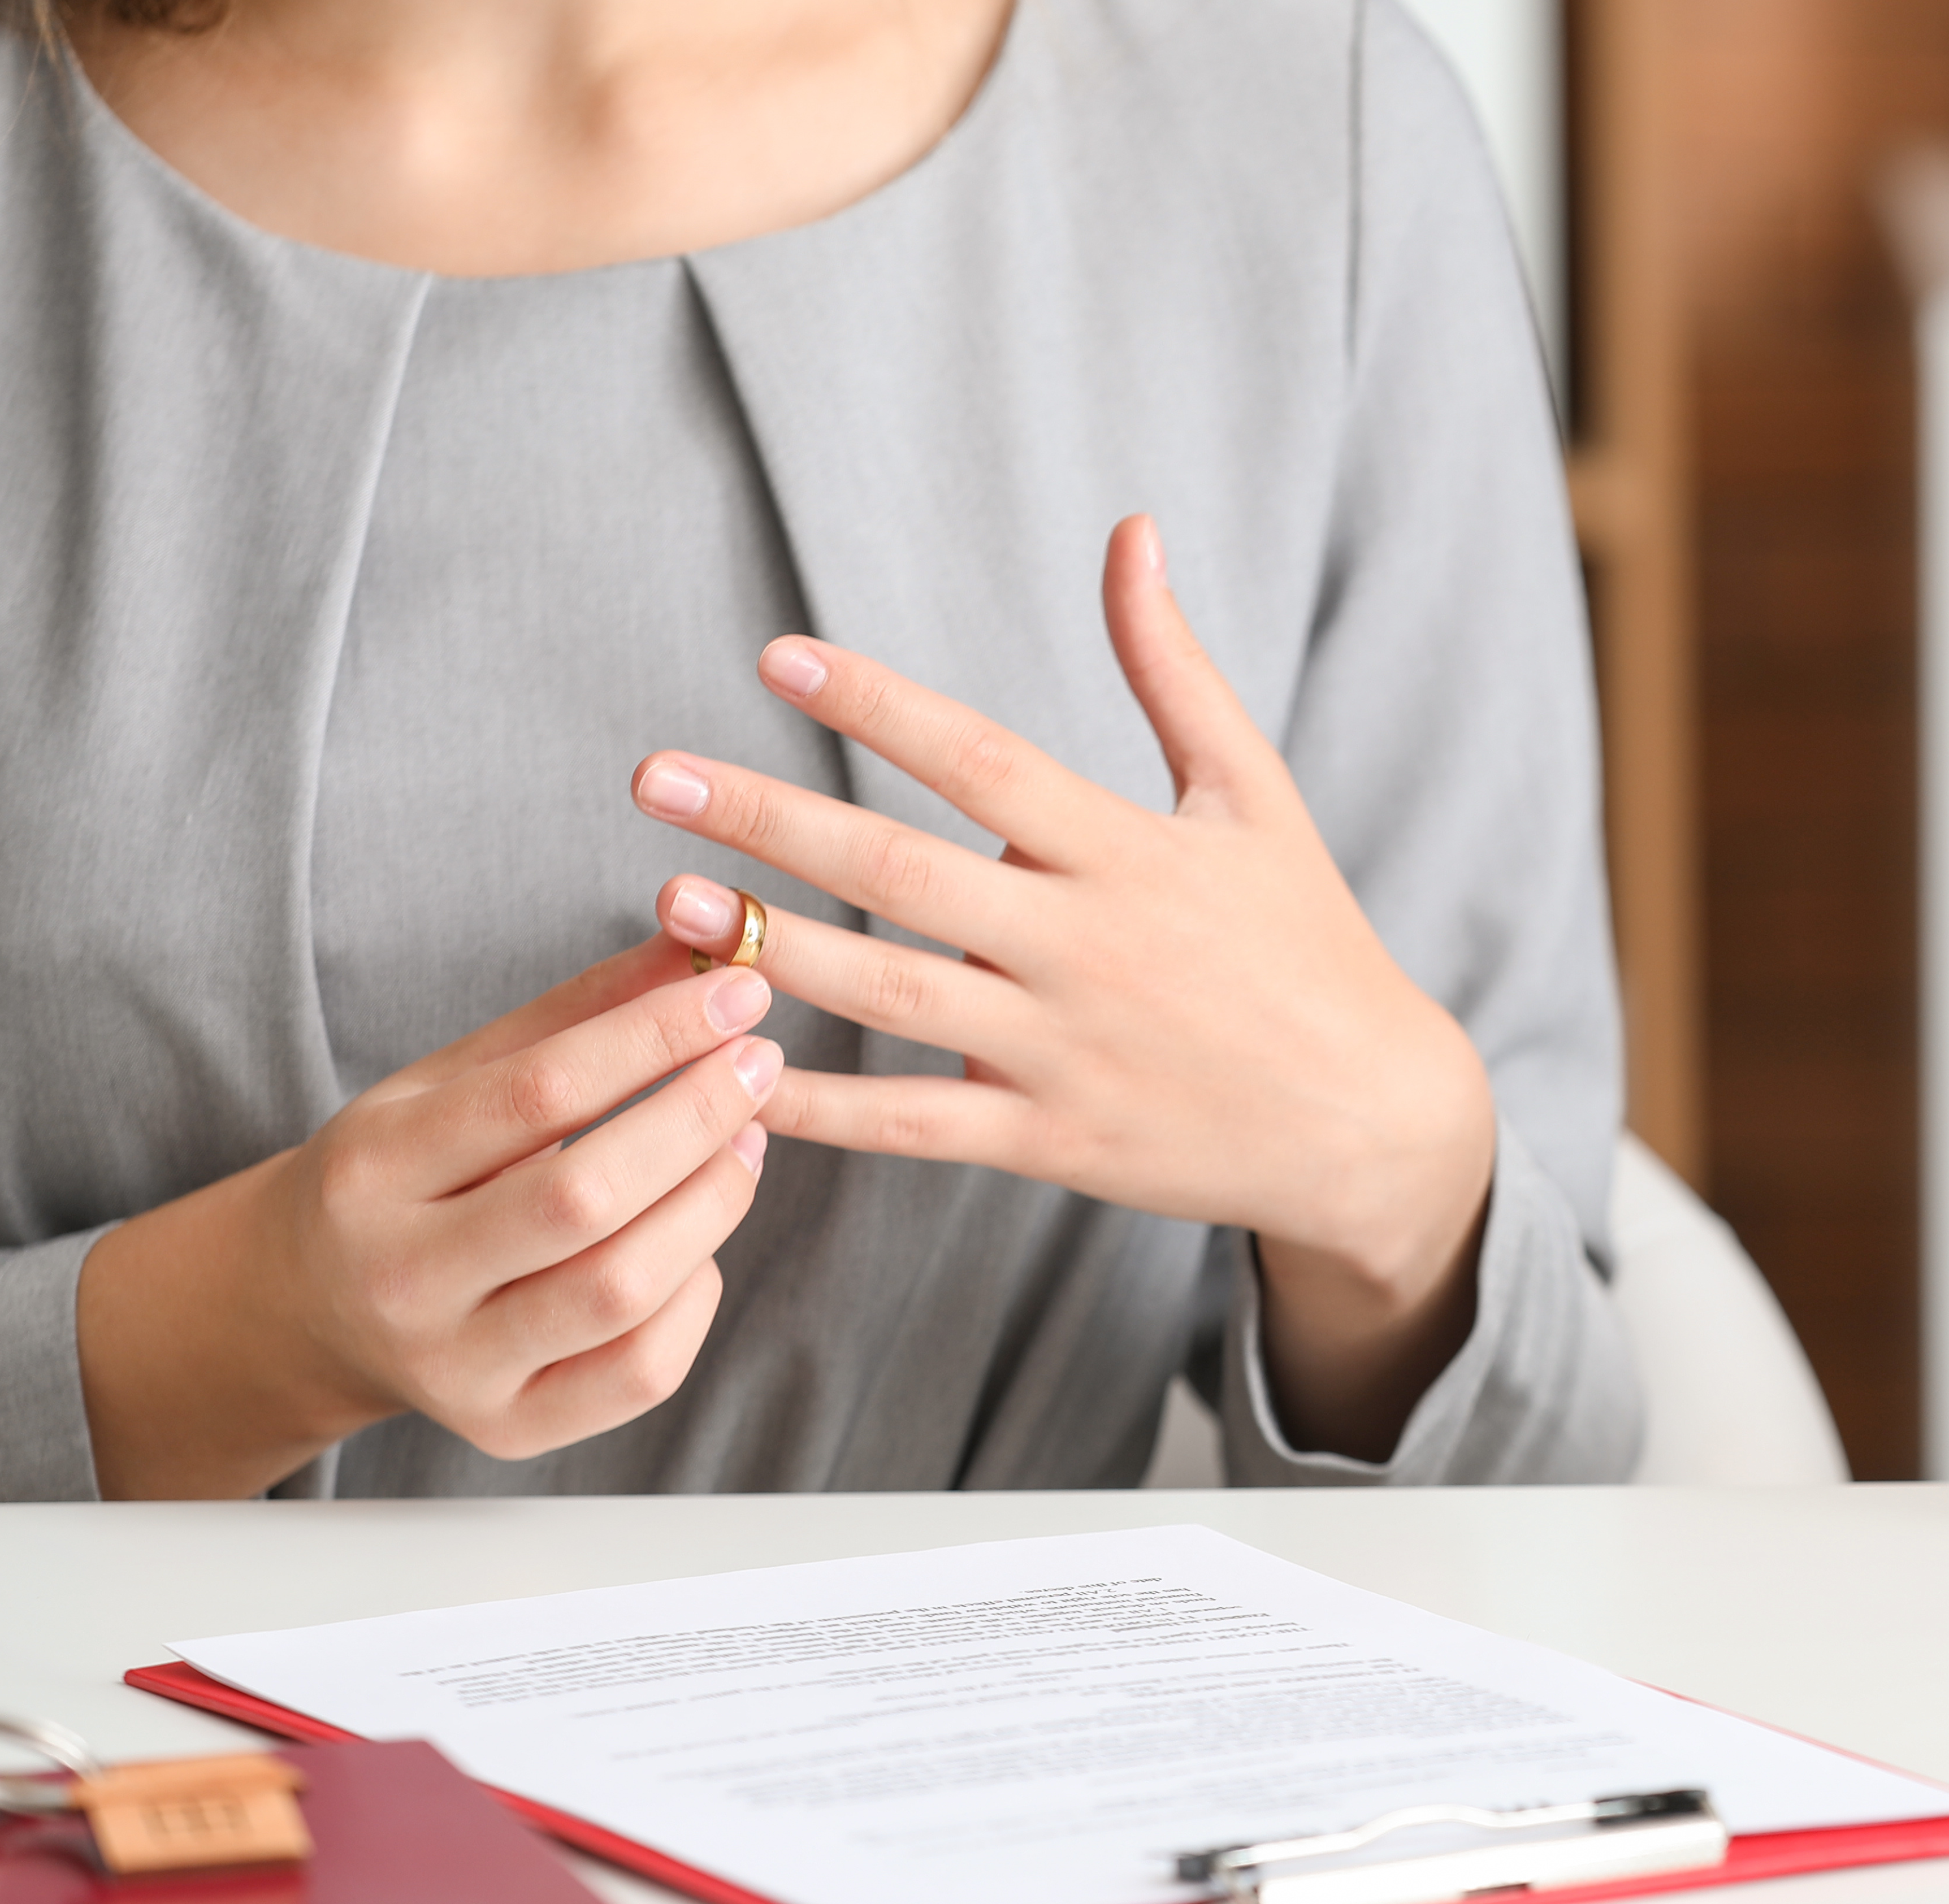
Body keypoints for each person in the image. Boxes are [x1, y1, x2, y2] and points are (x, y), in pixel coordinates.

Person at [0, 0, 1640, 1500]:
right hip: (111, 1795)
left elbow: (1544, 1486)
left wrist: (1390, 1184)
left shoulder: (1313, 129)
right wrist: (238, 1332)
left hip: (1003, 1793)